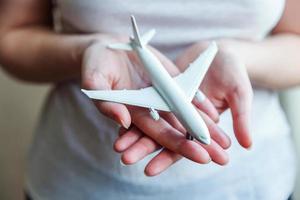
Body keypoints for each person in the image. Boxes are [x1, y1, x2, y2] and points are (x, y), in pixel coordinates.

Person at [0, 0, 299, 199]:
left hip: (253, 184)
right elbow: (11, 35)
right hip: (75, 180)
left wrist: (233, 55)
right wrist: (88, 50)